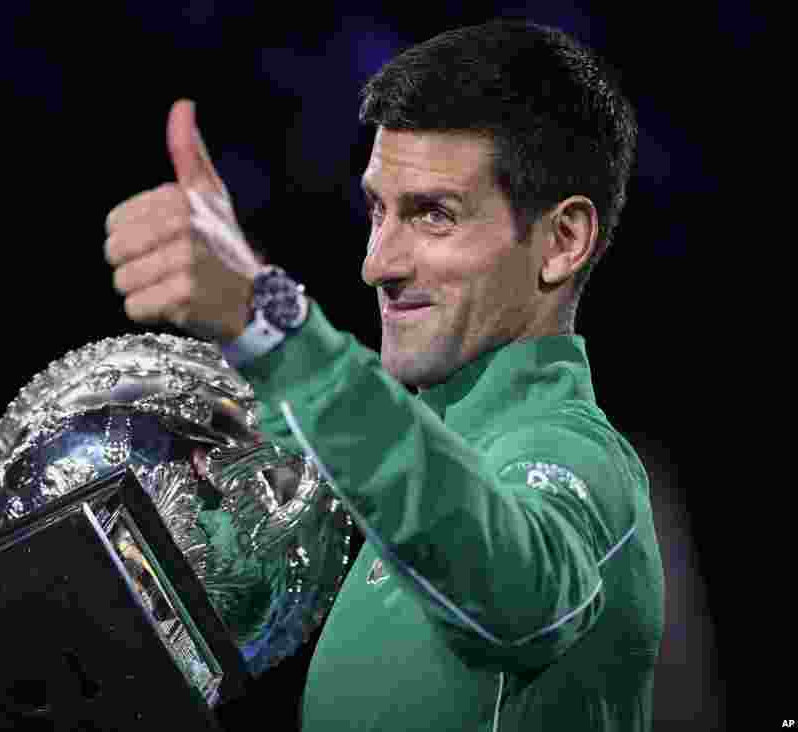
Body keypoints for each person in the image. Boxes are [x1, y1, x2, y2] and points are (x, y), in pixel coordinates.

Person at [103, 17, 664, 732]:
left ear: (562, 241)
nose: (377, 264)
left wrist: (273, 326)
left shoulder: (570, 455)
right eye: (377, 210)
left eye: (434, 215)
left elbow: (523, 605)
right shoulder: (411, 470)